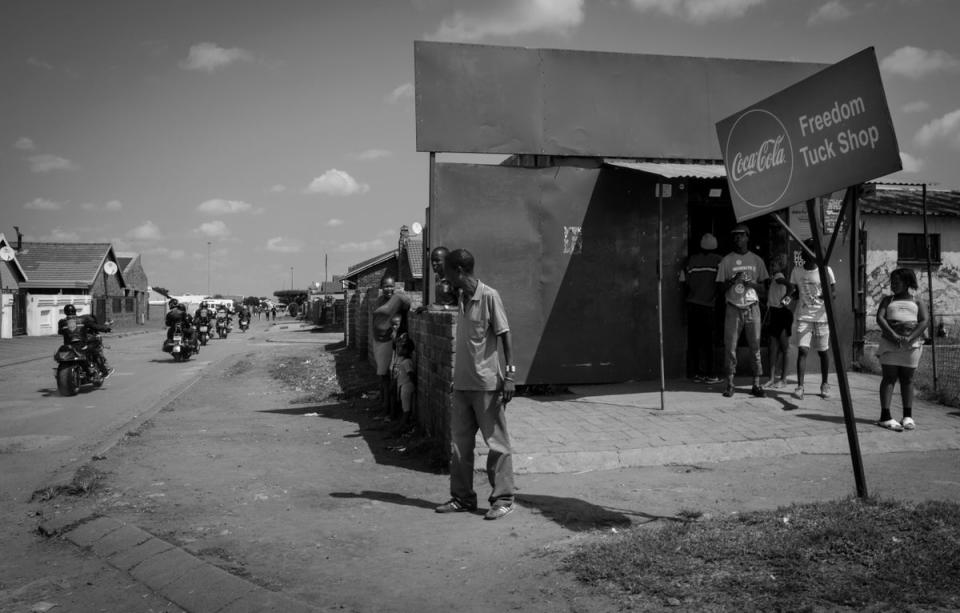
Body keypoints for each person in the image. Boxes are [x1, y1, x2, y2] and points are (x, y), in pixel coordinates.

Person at [435, 248, 516, 521]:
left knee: (497, 445)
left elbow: (505, 335)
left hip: (487, 385)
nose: (441, 274)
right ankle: (462, 498)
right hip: (462, 386)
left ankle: (503, 499)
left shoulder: (490, 296)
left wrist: (511, 375)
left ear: (458, 270)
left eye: (445, 269)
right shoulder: (460, 297)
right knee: (460, 446)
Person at [716, 224, 769, 398]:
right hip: (733, 307)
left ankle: (756, 383)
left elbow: (764, 289)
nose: (738, 238)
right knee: (730, 346)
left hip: (752, 306)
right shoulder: (727, 260)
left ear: (748, 237)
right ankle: (730, 383)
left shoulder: (756, 260)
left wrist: (750, 284)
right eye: (735, 236)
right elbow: (719, 287)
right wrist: (732, 281)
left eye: (741, 235)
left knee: (755, 345)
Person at [875, 268, 929, 431]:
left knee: (907, 379)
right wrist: (892, 334)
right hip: (889, 344)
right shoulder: (887, 300)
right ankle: (885, 417)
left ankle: (907, 416)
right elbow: (880, 318)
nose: (893, 285)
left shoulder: (917, 301)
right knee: (889, 378)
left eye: (897, 282)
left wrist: (910, 337)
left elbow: (924, 321)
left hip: (911, 346)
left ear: (907, 283)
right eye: (892, 282)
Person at [790, 238, 836, 401]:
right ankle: (800, 387)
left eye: (812, 250)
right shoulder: (796, 271)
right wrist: (787, 298)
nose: (808, 253)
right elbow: (795, 292)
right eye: (806, 250)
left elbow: (833, 293)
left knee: (823, 352)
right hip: (803, 316)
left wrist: (827, 296)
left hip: (822, 317)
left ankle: (825, 383)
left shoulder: (826, 270)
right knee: (803, 350)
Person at [680, 233, 722, 383]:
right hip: (708, 306)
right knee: (709, 342)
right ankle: (711, 374)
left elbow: (684, 282)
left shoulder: (692, 260)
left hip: (692, 305)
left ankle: (695, 373)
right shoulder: (718, 261)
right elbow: (720, 283)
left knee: (694, 341)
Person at [57, 304, 113, 378]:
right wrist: (106, 329)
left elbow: (60, 332)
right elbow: (96, 326)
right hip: (81, 346)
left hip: (68, 346)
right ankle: (104, 371)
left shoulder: (61, 322)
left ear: (65, 312)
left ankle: (89, 368)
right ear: (75, 311)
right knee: (96, 347)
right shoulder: (83, 320)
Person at [763, 254, 793, 389]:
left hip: (780, 313)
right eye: (771, 265)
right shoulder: (774, 278)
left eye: (774, 265)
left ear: (780, 266)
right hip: (774, 313)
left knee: (784, 347)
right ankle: (772, 378)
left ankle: (783, 379)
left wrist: (785, 300)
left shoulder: (779, 277)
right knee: (774, 348)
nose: (771, 267)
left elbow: (791, 287)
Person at [392, 335, 417, 431]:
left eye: (400, 348)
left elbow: (410, 373)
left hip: (406, 386)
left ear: (406, 350)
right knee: (404, 407)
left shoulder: (406, 362)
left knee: (406, 409)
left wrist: (414, 384)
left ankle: (401, 427)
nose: (398, 350)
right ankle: (403, 425)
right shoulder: (405, 361)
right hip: (404, 386)